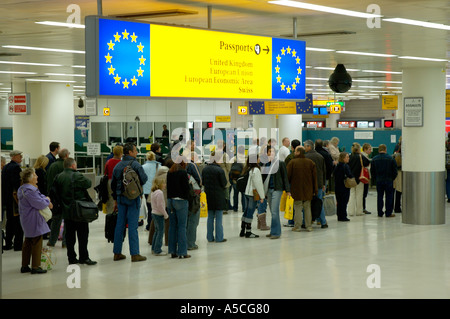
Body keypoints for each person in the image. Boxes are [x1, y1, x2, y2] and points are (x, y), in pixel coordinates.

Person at [53, 158, 96, 265]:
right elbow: (88, 183)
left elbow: (54, 192)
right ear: (72, 166)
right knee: (83, 235)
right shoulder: (77, 175)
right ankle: (84, 257)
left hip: (66, 211)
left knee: (70, 236)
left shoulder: (59, 177)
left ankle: (71, 258)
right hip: (79, 211)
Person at [111, 142, 148, 262]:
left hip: (121, 198)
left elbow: (113, 184)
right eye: (135, 150)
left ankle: (117, 253)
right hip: (133, 198)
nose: (137, 152)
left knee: (119, 226)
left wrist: (116, 198)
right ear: (130, 152)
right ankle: (135, 254)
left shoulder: (118, 165)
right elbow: (144, 179)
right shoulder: (136, 165)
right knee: (133, 226)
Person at [17, 168, 52, 274]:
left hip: (26, 218)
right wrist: (47, 200)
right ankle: (36, 266)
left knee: (27, 241)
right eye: (35, 175)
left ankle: (24, 265)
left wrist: (44, 199)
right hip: (33, 218)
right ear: (30, 178)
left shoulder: (22, 189)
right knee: (37, 240)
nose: (37, 177)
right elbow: (39, 203)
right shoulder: (30, 191)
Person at [261, 146, 290, 239]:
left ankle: (276, 232)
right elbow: (263, 178)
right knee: (272, 211)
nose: (271, 153)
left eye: (273, 151)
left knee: (274, 211)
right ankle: (273, 231)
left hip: (277, 189)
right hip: (268, 190)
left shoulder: (280, 163)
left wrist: (288, 190)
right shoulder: (265, 164)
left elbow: (285, 177)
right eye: (269, 151)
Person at [287, 146, 317, 232]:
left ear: (299, 152)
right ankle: (309, 226)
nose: (294, 153)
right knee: (307, 207)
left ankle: (297, 226)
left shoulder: (292, 162)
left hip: (296, 189)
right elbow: (314, 177)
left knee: (297, 207)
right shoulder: (310, 162)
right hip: (308, 189)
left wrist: (287, 188)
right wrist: (315, 190)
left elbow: (287, 176)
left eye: (296, 151)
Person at [167, 158, 191, 259]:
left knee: (172, 226)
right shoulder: (183, 172)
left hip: (170, 201)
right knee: (182, 226)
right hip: (181, 200)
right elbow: (186, 188)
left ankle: (172, 251)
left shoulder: (170, 172)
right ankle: (182, 252)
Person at [46, 148, 70, 248]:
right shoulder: (67, 166)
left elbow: (48, 181)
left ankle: (52, 241)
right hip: (66, 197)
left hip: (55, 198)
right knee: (67, 221)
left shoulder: (52, 165)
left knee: (56, 220)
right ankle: (65, 242)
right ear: (66, 156)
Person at [202, 152, 228, 243]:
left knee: (210, 217)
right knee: (219, 218)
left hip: (208, 195)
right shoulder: (219, 170)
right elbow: (224, 183)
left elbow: (203, 182)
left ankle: (209, 237)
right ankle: (219, 237)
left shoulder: (205, 169)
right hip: (219, 196)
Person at [2, 150, 24, 251]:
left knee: (9, 222)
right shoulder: (16, 168)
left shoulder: (5, 167)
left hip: (6, 198)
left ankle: (8, 243)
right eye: (20, 156)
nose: (21, 158)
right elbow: (17, 185)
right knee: (18, 222)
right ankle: (18, 245)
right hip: (15, 199)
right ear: (14, 156)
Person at [148, 158, 173, 247]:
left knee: (154, 221)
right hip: (163, 199)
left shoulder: (159, 172)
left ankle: (151, 240)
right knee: (166, 221)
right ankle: (167, 241)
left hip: (153, 197)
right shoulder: (167, 174)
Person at [304, 140, 327, 228]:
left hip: (308, 184)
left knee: (306, 204)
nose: (305, 148)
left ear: (309, 147)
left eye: (305, 146)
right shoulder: (320, 156)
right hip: (319, 184)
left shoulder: (305, 157)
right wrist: (324, 183)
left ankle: (305, 222)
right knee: (319, 202)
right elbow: (324, 171)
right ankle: (323, 222)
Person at [370, 144, 398, 218]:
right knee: (389, 197)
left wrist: (375, 178)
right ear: (385, 149)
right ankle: (388, 212)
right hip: (389, 180)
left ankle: (380, 212)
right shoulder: (391, 158)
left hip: (379, 180)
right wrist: (392, 178)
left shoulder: (374, 159)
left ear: (379, 150)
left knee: (380, 197)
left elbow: (372, 171)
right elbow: (395, 171)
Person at [348, 143, 370, 217]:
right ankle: (359, 211)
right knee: (359, 195)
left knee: (351, 195)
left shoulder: (349, 156)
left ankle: (350, 212)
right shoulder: (361, 156)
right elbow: (367, 162)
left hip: (351, 179)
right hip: (360, 178)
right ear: (359, 149)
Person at [150, 176, 169, 256]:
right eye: (164, 183)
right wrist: (165, 215)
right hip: (159, 214)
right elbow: (160, 206)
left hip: (154, 213)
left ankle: (154, 248)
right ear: (160, 184)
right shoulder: (160, 193)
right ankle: (158, 250)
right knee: (160, 231)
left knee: (157, 231)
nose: (165, 185)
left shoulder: (153, 192)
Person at [142, 151, 160, 229]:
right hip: (156, 189)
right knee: (156, 208)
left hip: (146, 191)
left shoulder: (143, 167)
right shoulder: (159, 166)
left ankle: (149, 225)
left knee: (149, 208)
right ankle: (156, 225)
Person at [103, 145, 123, 214]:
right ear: (121, 153)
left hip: (110, 181)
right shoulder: (122, 163)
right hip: (119, 182)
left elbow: (105, 173)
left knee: (110, 199)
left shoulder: (108, 162)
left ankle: (110, 216)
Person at [334, 152, 353, 222]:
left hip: (337, 186)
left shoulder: (337, 166)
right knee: (344, 201)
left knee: (339, 201)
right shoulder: (346, 166)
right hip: (344, 186)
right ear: (343, 158)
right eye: (347, 157)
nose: (348, 158)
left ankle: (339, 216)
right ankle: (343, 216)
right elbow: (349, 175)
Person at [362, 143, 373, 214]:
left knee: (364, 194)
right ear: (365, 149)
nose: (371, 151)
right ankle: (363, 208)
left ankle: (363, 208)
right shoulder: (363, 157)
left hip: (367, 177)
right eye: (369, 149)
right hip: (364, 177)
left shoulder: (366, 156)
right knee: (363, 193)